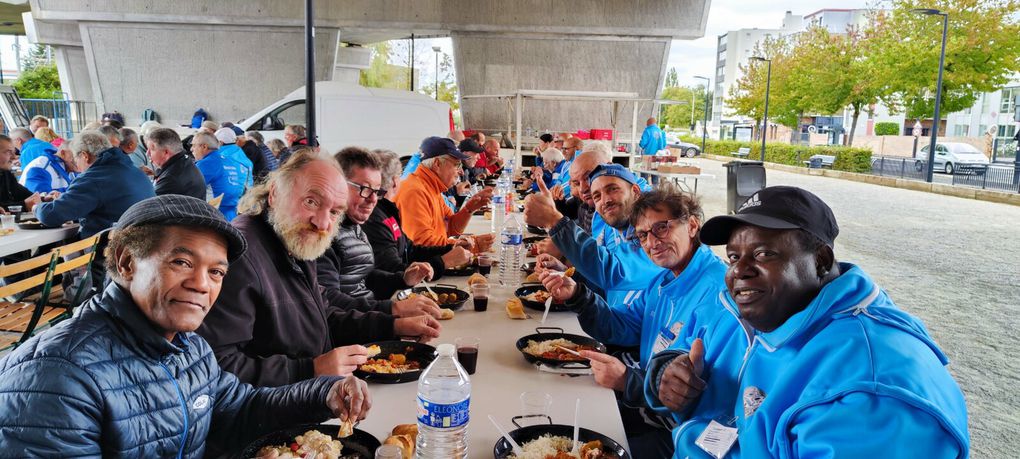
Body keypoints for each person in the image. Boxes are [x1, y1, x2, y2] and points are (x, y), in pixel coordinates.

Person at [0, 195, 372, 456]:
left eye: (216, 272)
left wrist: (323, 393)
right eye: (181, 262)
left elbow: (239, 410)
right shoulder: (56, 376)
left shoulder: (189, 345)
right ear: (127, 263)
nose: (202, 284)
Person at [645, 186, 969, 458]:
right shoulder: (760, 307)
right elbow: (681, 352)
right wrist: (668, 371)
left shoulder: (870, 390)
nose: (738, 271)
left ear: (821, 261)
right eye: (733, 256)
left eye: (763, 254)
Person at [197, 149, 441, 387]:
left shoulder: (293, 239)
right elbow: (216, 365)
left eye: (335, 211)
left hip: (315, 394)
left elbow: (324, 316)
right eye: (311, 201)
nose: (323, 223)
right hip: (277, 412)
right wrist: (310, 369)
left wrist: (393, 325)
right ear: (274, 194)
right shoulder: (241, 255)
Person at [540, 186, 726, 457]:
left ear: (692, 225)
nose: (652, 242)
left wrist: (629, 380)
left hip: (679, 435)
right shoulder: (664, 281)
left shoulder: (717, 293)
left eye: (661, 228)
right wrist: (577, 295)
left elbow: (697, 392)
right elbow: (620, 327)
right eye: (643, 235)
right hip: (647, 407)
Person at [316, 147, 444, 318]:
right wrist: (392, 311)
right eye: (365, 189)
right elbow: (329, 301)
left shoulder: (355, 226)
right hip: (355, 333)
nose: (373, 200)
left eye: (377, 192)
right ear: (338, 184)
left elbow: (364, 276)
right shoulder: (322, 235)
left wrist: (403, 279)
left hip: (369, 319)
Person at [364, 149, 472, 279]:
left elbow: (410, 250)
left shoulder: (387, 211)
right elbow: (395, 271)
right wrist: (444, 262)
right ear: (394, 181)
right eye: (401, 174)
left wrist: (450, 247)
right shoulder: (377, 218)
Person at [33, 131, 155, 238]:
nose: (77, 165)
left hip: (106, 253)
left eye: (76, 159)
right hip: (141, 247)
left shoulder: (92, 178)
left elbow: (50, 216)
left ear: (85, 156)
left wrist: (36, 206)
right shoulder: (136, 172)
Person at [394, 136, 493, 246]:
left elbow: (450, 226)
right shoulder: (415, 192)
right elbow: (422, 244)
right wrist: (472, 245)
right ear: (437, 164)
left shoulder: (432, 187)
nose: (460, 171)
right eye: (457, 165)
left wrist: (469, 209)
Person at [193, 132, 245, 221]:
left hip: (215, 216)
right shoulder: (230, 160)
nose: (191, 149)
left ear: (204, 147)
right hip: (234, 214)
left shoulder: (206, 164)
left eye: (194, 145)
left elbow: (188, 189)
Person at [147, 127, 206, 199]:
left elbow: (146, 205)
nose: (147, 153)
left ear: (165, 152)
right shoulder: (184, 161)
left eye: (152, 149)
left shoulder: (170, 179)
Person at [0, 135, 41, 210]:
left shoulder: (6, 173)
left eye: (14, 152)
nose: (14, 157)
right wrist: (24, 205)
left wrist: (43, 199)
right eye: (8, 152)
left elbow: (22, 194)